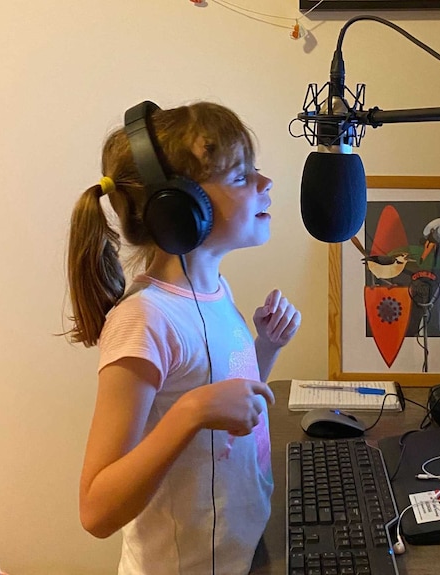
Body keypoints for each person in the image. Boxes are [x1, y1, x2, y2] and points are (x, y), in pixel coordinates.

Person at [65, 101, 301, 575]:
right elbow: (96, 509)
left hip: (240, 553)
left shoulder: (213, 292)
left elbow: (220, 401)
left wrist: (264, 349)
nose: (265, 183)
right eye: (240, 177)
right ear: (179, 210)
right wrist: (190, 413)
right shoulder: (145, 319)